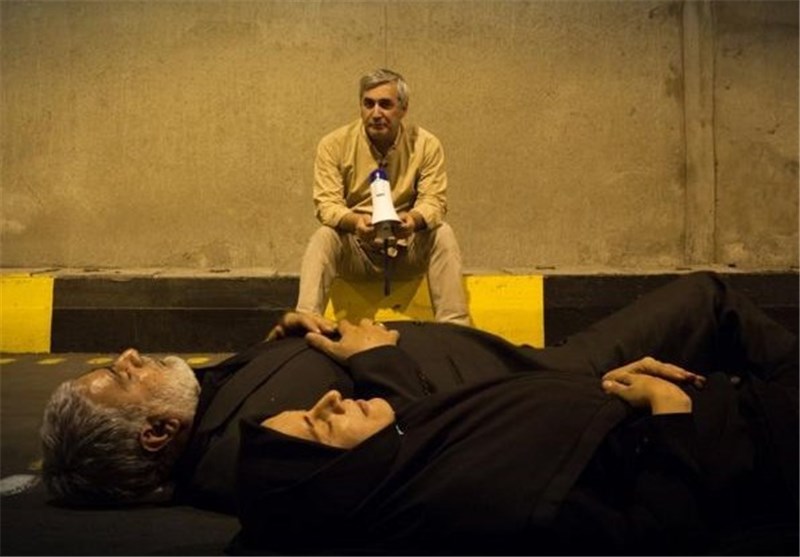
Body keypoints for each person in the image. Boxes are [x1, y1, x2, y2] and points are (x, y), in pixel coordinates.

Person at [38, 273, 797, 554]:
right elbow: (400, 453)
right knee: (708, 300)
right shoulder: (257, 459)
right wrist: (376, 358)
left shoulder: (208, 405)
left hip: (521, 377)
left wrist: (277, 344)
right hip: (552, 380)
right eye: (118, 377)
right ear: (156, 432)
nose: (128, 354)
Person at [295, 68, 471, 325]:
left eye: (385, 104)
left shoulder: (426, 144)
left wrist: (413, 220)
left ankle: (455, 330)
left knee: (443, 233)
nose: (376, 113)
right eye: (368, 104)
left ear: (403, 108)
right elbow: (327, 204)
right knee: (324, 237)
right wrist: (355, 222)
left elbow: (434, 201)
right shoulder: (333, 145)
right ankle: (305, 323)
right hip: (357, 250)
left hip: (406, 248)